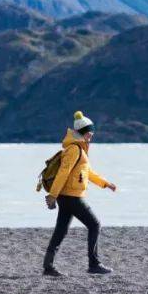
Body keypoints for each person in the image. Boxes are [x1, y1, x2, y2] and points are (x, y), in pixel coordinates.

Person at [43, 110, 117, 276]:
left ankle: (48, 266)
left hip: (67, 196)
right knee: (95, 224)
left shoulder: (80, 149)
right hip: (72, 197)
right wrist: (52, 195)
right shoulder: (75, 149)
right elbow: (64, 171)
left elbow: (88, 173)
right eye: (90, 134)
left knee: (61, 230)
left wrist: (106, 184)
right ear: (83, 133)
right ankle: (94, 264)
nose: (91, 137)